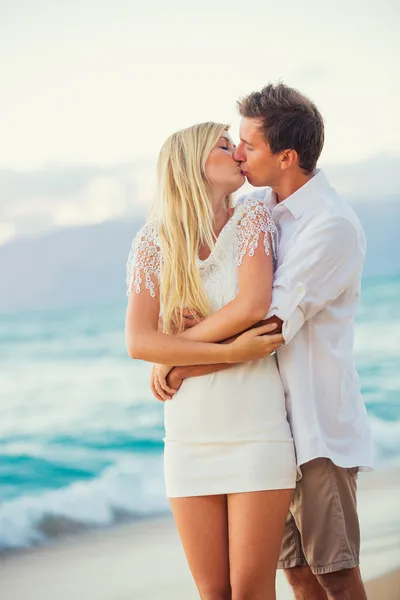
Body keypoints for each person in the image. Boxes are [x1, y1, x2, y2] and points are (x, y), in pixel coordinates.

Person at [153, 84, 374, 600]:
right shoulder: (259, 209)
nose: (238, 153)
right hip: (269, 426)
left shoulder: (330, 225)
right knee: (296, 574)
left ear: (287, 156)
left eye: (247, 146)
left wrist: (178, 361)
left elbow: (268, 327)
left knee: (335, 573)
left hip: (317, 428)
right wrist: (173, 345)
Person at [126, 121, 297, 599]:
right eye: (225, 146)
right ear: (192, 164)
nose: (238, 153)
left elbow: (251, 307)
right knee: (213, 592)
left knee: (248, 589)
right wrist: (232, 349)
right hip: (188, 439)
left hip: (257, 432)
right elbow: (140, 342)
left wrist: (179, 352)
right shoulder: (153, 243)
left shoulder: (252, 221)